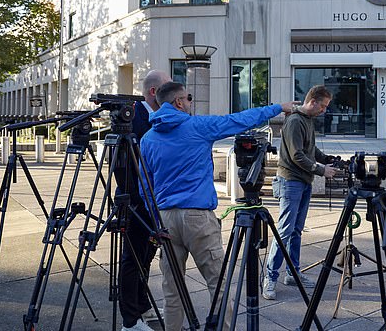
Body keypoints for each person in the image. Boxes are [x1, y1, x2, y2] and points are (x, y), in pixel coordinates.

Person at [139, 81, 296, 331]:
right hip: (197, 218)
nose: (191, 102)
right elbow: (238, 120)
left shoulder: (147, 138)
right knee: (218, 284)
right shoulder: (196, 127)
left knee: (172, 289)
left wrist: (155, 221)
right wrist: (277, 107)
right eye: (188, 98)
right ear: (178, 102)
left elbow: (144, 186)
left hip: (165, 219)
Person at [263, 85, 337, 300]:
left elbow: (310, 150)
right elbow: (297, 156)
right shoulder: (295, 121)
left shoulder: (307, 120)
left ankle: (292, 273)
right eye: (322, 106)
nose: (324, 110)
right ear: (313, 101)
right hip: (290, 182)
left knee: (296, 231)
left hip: (303, 182)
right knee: (284, 231)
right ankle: (270, 278)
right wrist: (322, 169)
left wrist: (327, 159)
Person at [116, 70, 171, 331]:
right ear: (153, 92)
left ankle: (142, 305)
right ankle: (129, 321)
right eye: (166, 88)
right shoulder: (132, 118)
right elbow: (120, 165)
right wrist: (137, 198)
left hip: (154, 200)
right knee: (132, 259)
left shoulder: (158, 118)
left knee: (146, 256)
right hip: (136, 201)